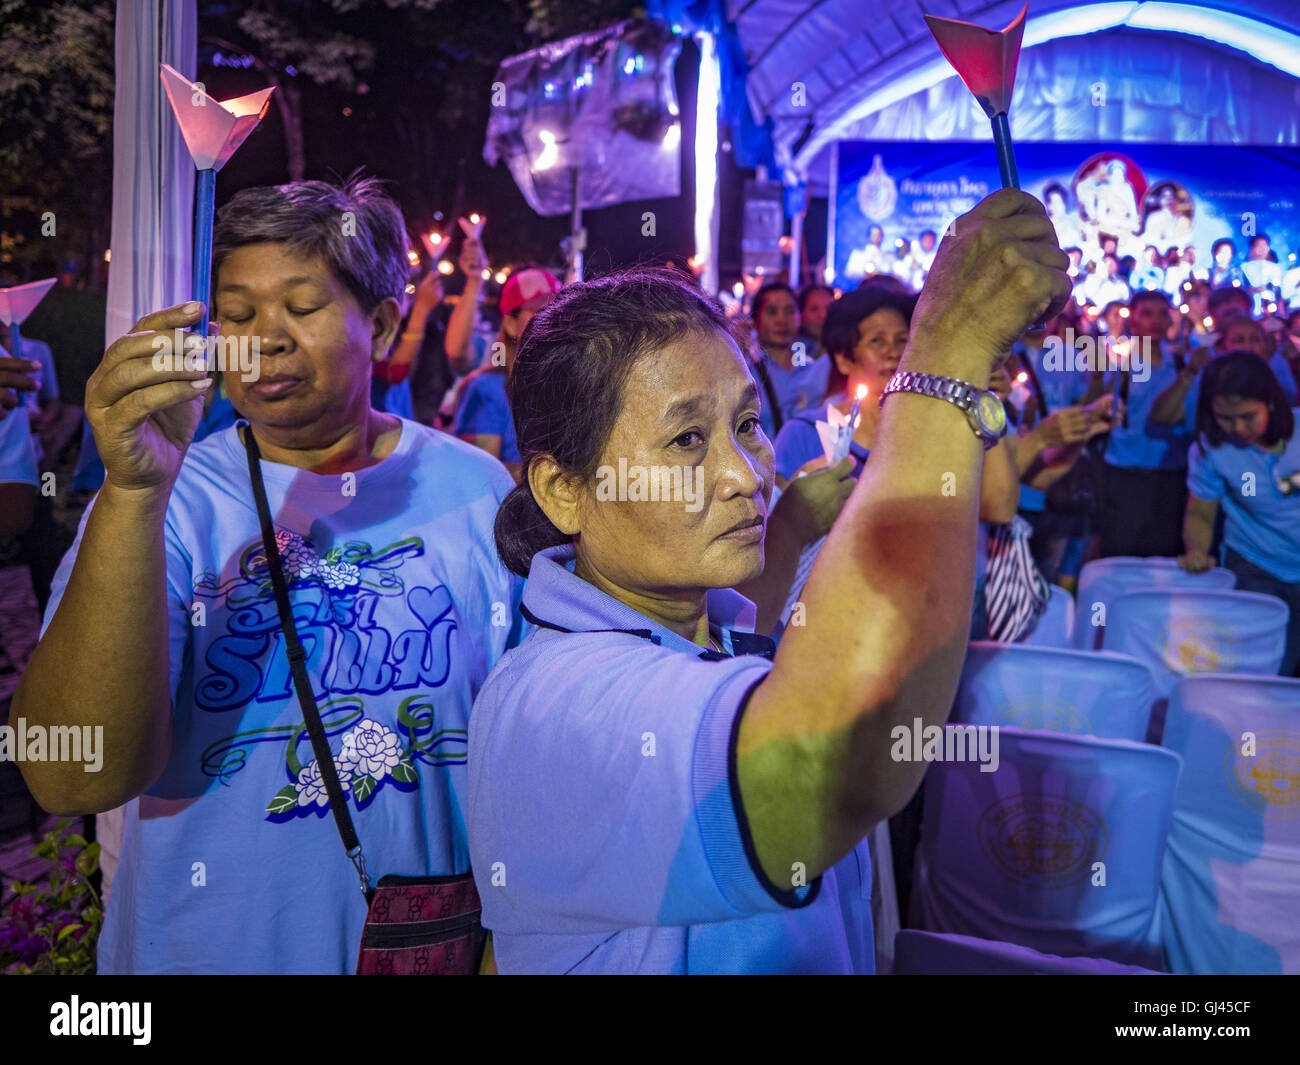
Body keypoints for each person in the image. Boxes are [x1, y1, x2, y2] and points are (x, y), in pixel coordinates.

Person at [466, 190, 1070, 973]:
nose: (746, 473)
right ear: (563, 489)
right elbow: (835, 762)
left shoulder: (703, 627)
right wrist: (943, 362)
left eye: (747, 424)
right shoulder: (557, 701)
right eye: (687, 439)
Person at [12, 175, 523, 975]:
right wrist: (134, 490)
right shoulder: (167, 499)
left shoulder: (475, 490)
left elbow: (524, 748)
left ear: (383, 323)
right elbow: (71, 772)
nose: (265, 337)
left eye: (301, 306)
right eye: (239, 315)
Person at [1178, 353, 1300, 676]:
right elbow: (1202, 511)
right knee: (1267, 669)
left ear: (1271, 403)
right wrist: (1196, 551)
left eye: (1248, 416)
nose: (1237, 428)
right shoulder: (1212, 450)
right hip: (1255, 563)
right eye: (1225, 418)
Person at [1096, 290, 1202, 557]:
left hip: (1172, 474)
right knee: (1121, 553)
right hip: (1125, 474)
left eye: (1162, 314)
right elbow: (1097, 406)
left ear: (1171, 321)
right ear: (1132, 320)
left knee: (1164, 556)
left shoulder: (1182, 364)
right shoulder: (1117, 362)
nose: (1155, 321)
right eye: (1147, 314)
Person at [451, 265, 561, 481]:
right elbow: (480, 475)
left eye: (559, 310)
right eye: (541, 312)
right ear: (511, 324)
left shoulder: (564, 383)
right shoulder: (486, 389)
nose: (555, 320)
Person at [749, 281, 831, 440]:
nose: (782, 320)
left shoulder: (809, 367)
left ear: (800, 318)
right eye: (772, 312)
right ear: (755, 320)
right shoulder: (747, 370)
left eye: (789, 311)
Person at [794, 283, 833, 363]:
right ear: (801, 314)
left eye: (828, 308)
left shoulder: (845, 348)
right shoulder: (794, 350)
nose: (823, 315)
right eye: (814, 309)